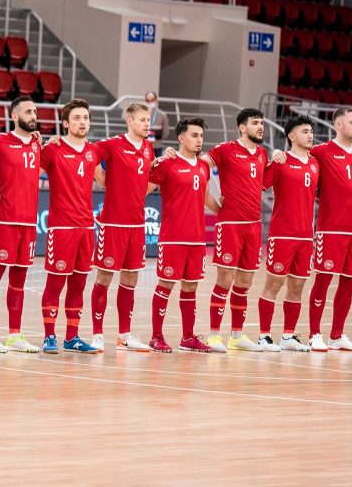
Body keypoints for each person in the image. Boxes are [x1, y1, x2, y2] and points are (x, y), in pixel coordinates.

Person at [274, 108, 352, 352]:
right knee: (322, 281)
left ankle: (337, 335)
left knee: (350, 283)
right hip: (330, 230)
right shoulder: (321, 151)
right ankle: (314, 334)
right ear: (338, 125)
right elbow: (296, 155)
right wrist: (278, 153)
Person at [146, 118, 221, 353]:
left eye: (201, 136)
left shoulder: (203, 166)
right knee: (166, 284)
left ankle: (188, 337)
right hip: (173, 237)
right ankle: (156, 337)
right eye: (194, 135)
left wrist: (226, 210)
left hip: (197, 238)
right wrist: (150, 164)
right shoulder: (167, 163)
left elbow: (207, 198)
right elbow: (142, 190)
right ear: (181, 138)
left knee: (191, 287)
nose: (199, 140)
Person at [201, 108, 269, 353]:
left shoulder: (262, 154)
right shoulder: (226, 149)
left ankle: (237, 336)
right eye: (255, 122)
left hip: (253, 225)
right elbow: (199, 166)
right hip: (230, 224)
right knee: (225, 279)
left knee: (245, 282)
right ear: (242, 127)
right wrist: (211, 203)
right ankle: (214, 335)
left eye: (261, 123)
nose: (260, 126)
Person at [89, 102, 155, 353]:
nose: (147, 124)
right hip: (113, 223)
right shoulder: (112, 144)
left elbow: (146, 178)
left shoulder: (148, 148)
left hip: (136, 224)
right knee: (104, 277)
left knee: (130, 279)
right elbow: (89, 155)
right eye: (142, 119)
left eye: (148, 119)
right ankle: (97, 334)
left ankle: (124, 335)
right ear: (129, 121)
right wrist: (104, 180)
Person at [0, 96, 43, 353]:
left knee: (19, 281)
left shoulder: (39, 144)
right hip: (4, 219)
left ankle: (15, 335)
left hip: (28, 222)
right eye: (28, 112)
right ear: (15, 117)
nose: (33, 115)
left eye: (35, 111)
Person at [39, 99, 100, 354]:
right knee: (55, 284)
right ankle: (49, 336)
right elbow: (25, 172)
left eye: (85, 117)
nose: (82, 122)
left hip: (86, 227)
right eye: (76, 118)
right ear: (65, 123)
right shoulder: (53, 149)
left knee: (79, 284)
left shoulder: (94, 152)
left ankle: (72, 337)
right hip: (61, 227)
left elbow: (109, 181)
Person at [256, 116, 318, 352]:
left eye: (311, 131)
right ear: (291, 136)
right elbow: (258, 185)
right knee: (273, 284)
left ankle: (288, 336)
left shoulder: (315, 164)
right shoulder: (280, 161)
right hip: (282, 234)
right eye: (305, 131)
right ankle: (264, 336)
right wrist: (272, 158)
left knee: (297, 286)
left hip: (306, 236)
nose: (310, 135)